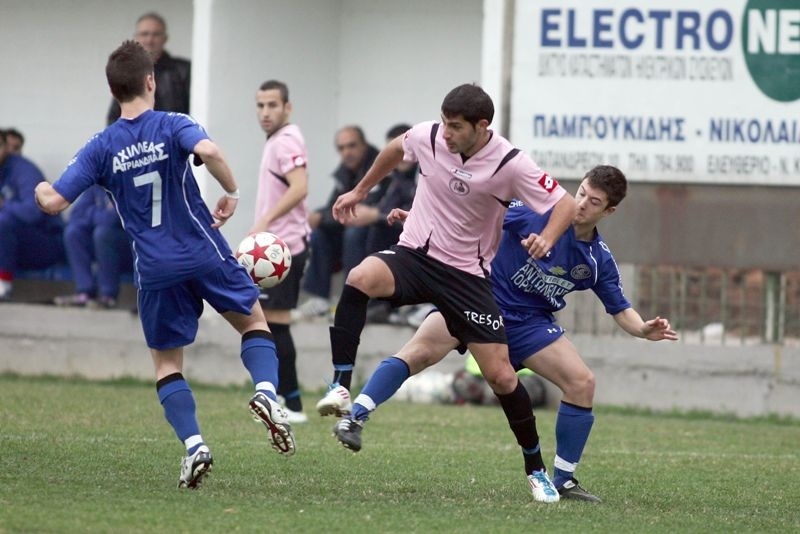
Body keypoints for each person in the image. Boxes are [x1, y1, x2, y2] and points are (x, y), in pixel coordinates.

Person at [35, 40, 295, 490]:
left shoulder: (101, 146)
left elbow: (54, 202)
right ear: (150, 81)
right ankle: (267, 393)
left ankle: (195, 445)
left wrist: (40, 186)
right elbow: (210, 152)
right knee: (254, 321)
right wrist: (231, 192)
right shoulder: (173, 122)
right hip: (201, 249)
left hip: (154, 269)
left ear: (113, 89)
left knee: (167, 364)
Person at [338, 164, 679, 503]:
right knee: (419, 352)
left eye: (594, 201)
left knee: (582, 382)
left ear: (610, 211)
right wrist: (418, 216)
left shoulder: (596, 260)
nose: (581, 204)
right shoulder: (534, 213)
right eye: (581, 194)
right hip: (477, 298)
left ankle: (563, 480)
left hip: (529, 323)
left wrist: (643, 329)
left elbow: (620, 308)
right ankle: (354, 418)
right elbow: (473, 215)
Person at [317, 83, 578, 503]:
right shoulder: (430, 135)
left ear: (482, 126)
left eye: (455, 126)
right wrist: (361, 190)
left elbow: (563, 203)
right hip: (416, 254)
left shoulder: (511, 163)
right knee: (360, 277)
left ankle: (536, 470)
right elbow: (394, 150)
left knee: (502, 376)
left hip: (467, 279)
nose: (446, 133)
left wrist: (547, 237)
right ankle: (341, 385)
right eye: (443, 122)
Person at [250, 79, 311, 423]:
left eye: (272, 105)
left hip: (281, 249)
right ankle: (284, 401)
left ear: (287, 107)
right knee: (268, 323)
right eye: (260, 106)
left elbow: (300, 187)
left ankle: (292, 405)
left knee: (273, 323)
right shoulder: (280, 139)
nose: (265, 112)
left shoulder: (285, 140)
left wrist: (264, 221)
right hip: (279, 246)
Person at [293, 126, 387, 319]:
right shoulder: (344, 173)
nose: (347, 152)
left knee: (353, 232)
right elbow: (335, 206)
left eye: (352, 146)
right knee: (319, 233)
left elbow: (361, 210)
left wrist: (325, 216)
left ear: (364, 145)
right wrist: (319, 216)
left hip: (381, 233)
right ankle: (320, 297)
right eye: (341, 148)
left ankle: (352, 296)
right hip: (353, 231)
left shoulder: (379, 165)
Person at [0, 130, 66, 301]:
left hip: (45, 242)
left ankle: (3, 285)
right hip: (11, 246)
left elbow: (33, 213)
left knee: (3, 221)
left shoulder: (23, 170)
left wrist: (4, 205)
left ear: (5, 148)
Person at [53, 185, 133, 308]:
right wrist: (101, 212)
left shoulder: (125, 181)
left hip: (133, 248)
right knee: (73, 232)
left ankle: (108, 296)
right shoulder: (97, 184)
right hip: (105, 246)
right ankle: (85, 292)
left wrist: (93, 212)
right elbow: (75, 215)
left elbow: (113, 219)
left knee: (103, 233)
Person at [106, 12, 190, 125]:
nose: (150, 40)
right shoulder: (126, 72)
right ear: (136, 38)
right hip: (138, 141)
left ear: (165, 38)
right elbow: (115, 119)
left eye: (156, 34)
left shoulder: (183, 71)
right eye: (145, 34)